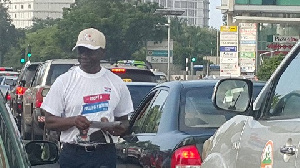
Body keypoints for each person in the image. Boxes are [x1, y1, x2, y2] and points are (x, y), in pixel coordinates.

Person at [41, 28, 134, 168]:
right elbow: (49, 121)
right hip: (74, 154)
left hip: (104, 154)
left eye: (90, 51)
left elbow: (125, 123)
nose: (84, 55)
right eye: (81, 50)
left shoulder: (116, 83)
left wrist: (113, 127)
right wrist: (73, 121)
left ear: (102, 52)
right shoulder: (64, 81)